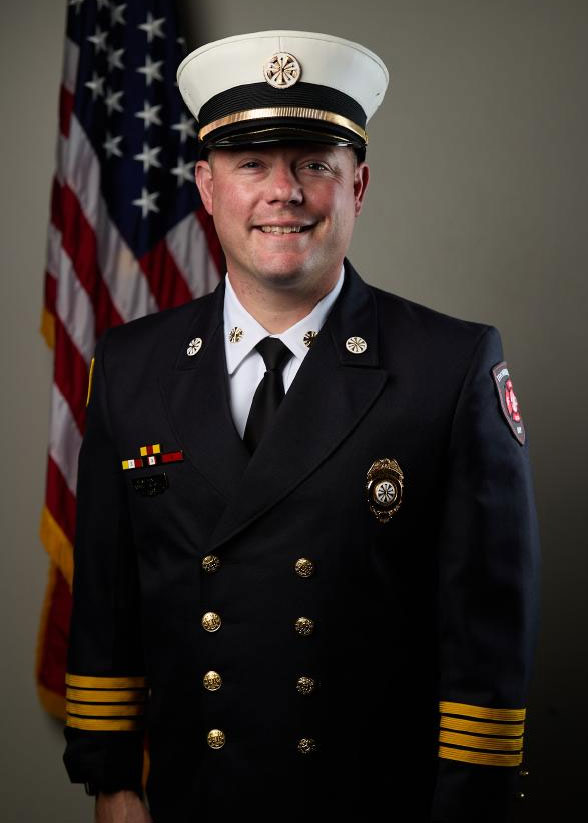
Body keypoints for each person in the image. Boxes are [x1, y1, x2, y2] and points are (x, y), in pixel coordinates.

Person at [62, 30, 541, 823]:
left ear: (358, 187)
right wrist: (113, 783)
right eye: (251, 163)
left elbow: (486, 639)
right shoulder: (130, 367)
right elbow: (108, 606)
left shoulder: (449, 367)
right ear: (206, 188)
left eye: (314, 164)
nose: (281, 191)